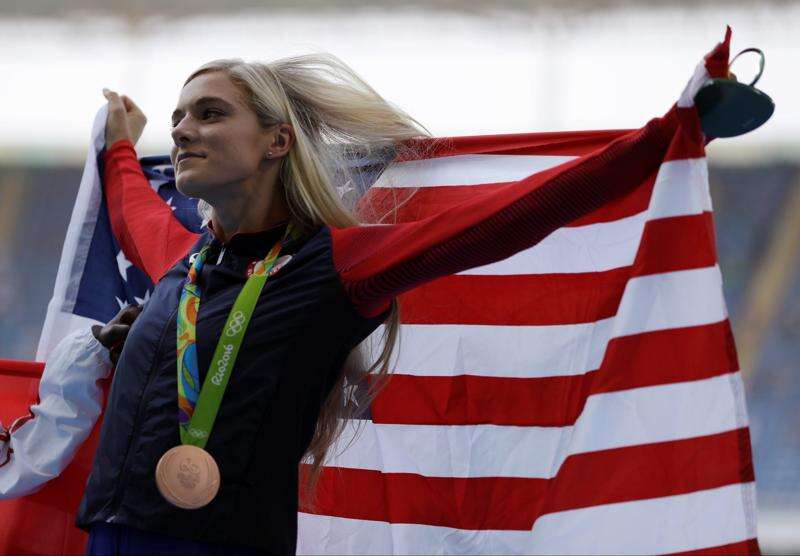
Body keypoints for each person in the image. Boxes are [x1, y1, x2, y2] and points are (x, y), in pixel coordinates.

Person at [74, 43, 724, 555]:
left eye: (210, 113)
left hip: (222, 544)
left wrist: (665, 135)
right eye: (178, 118)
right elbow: (132, 205)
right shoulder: (182, 264)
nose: (184, 131)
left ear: (277, 140)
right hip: (109, 534)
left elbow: (509, 216)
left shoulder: (338, 261)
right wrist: (122, 137)